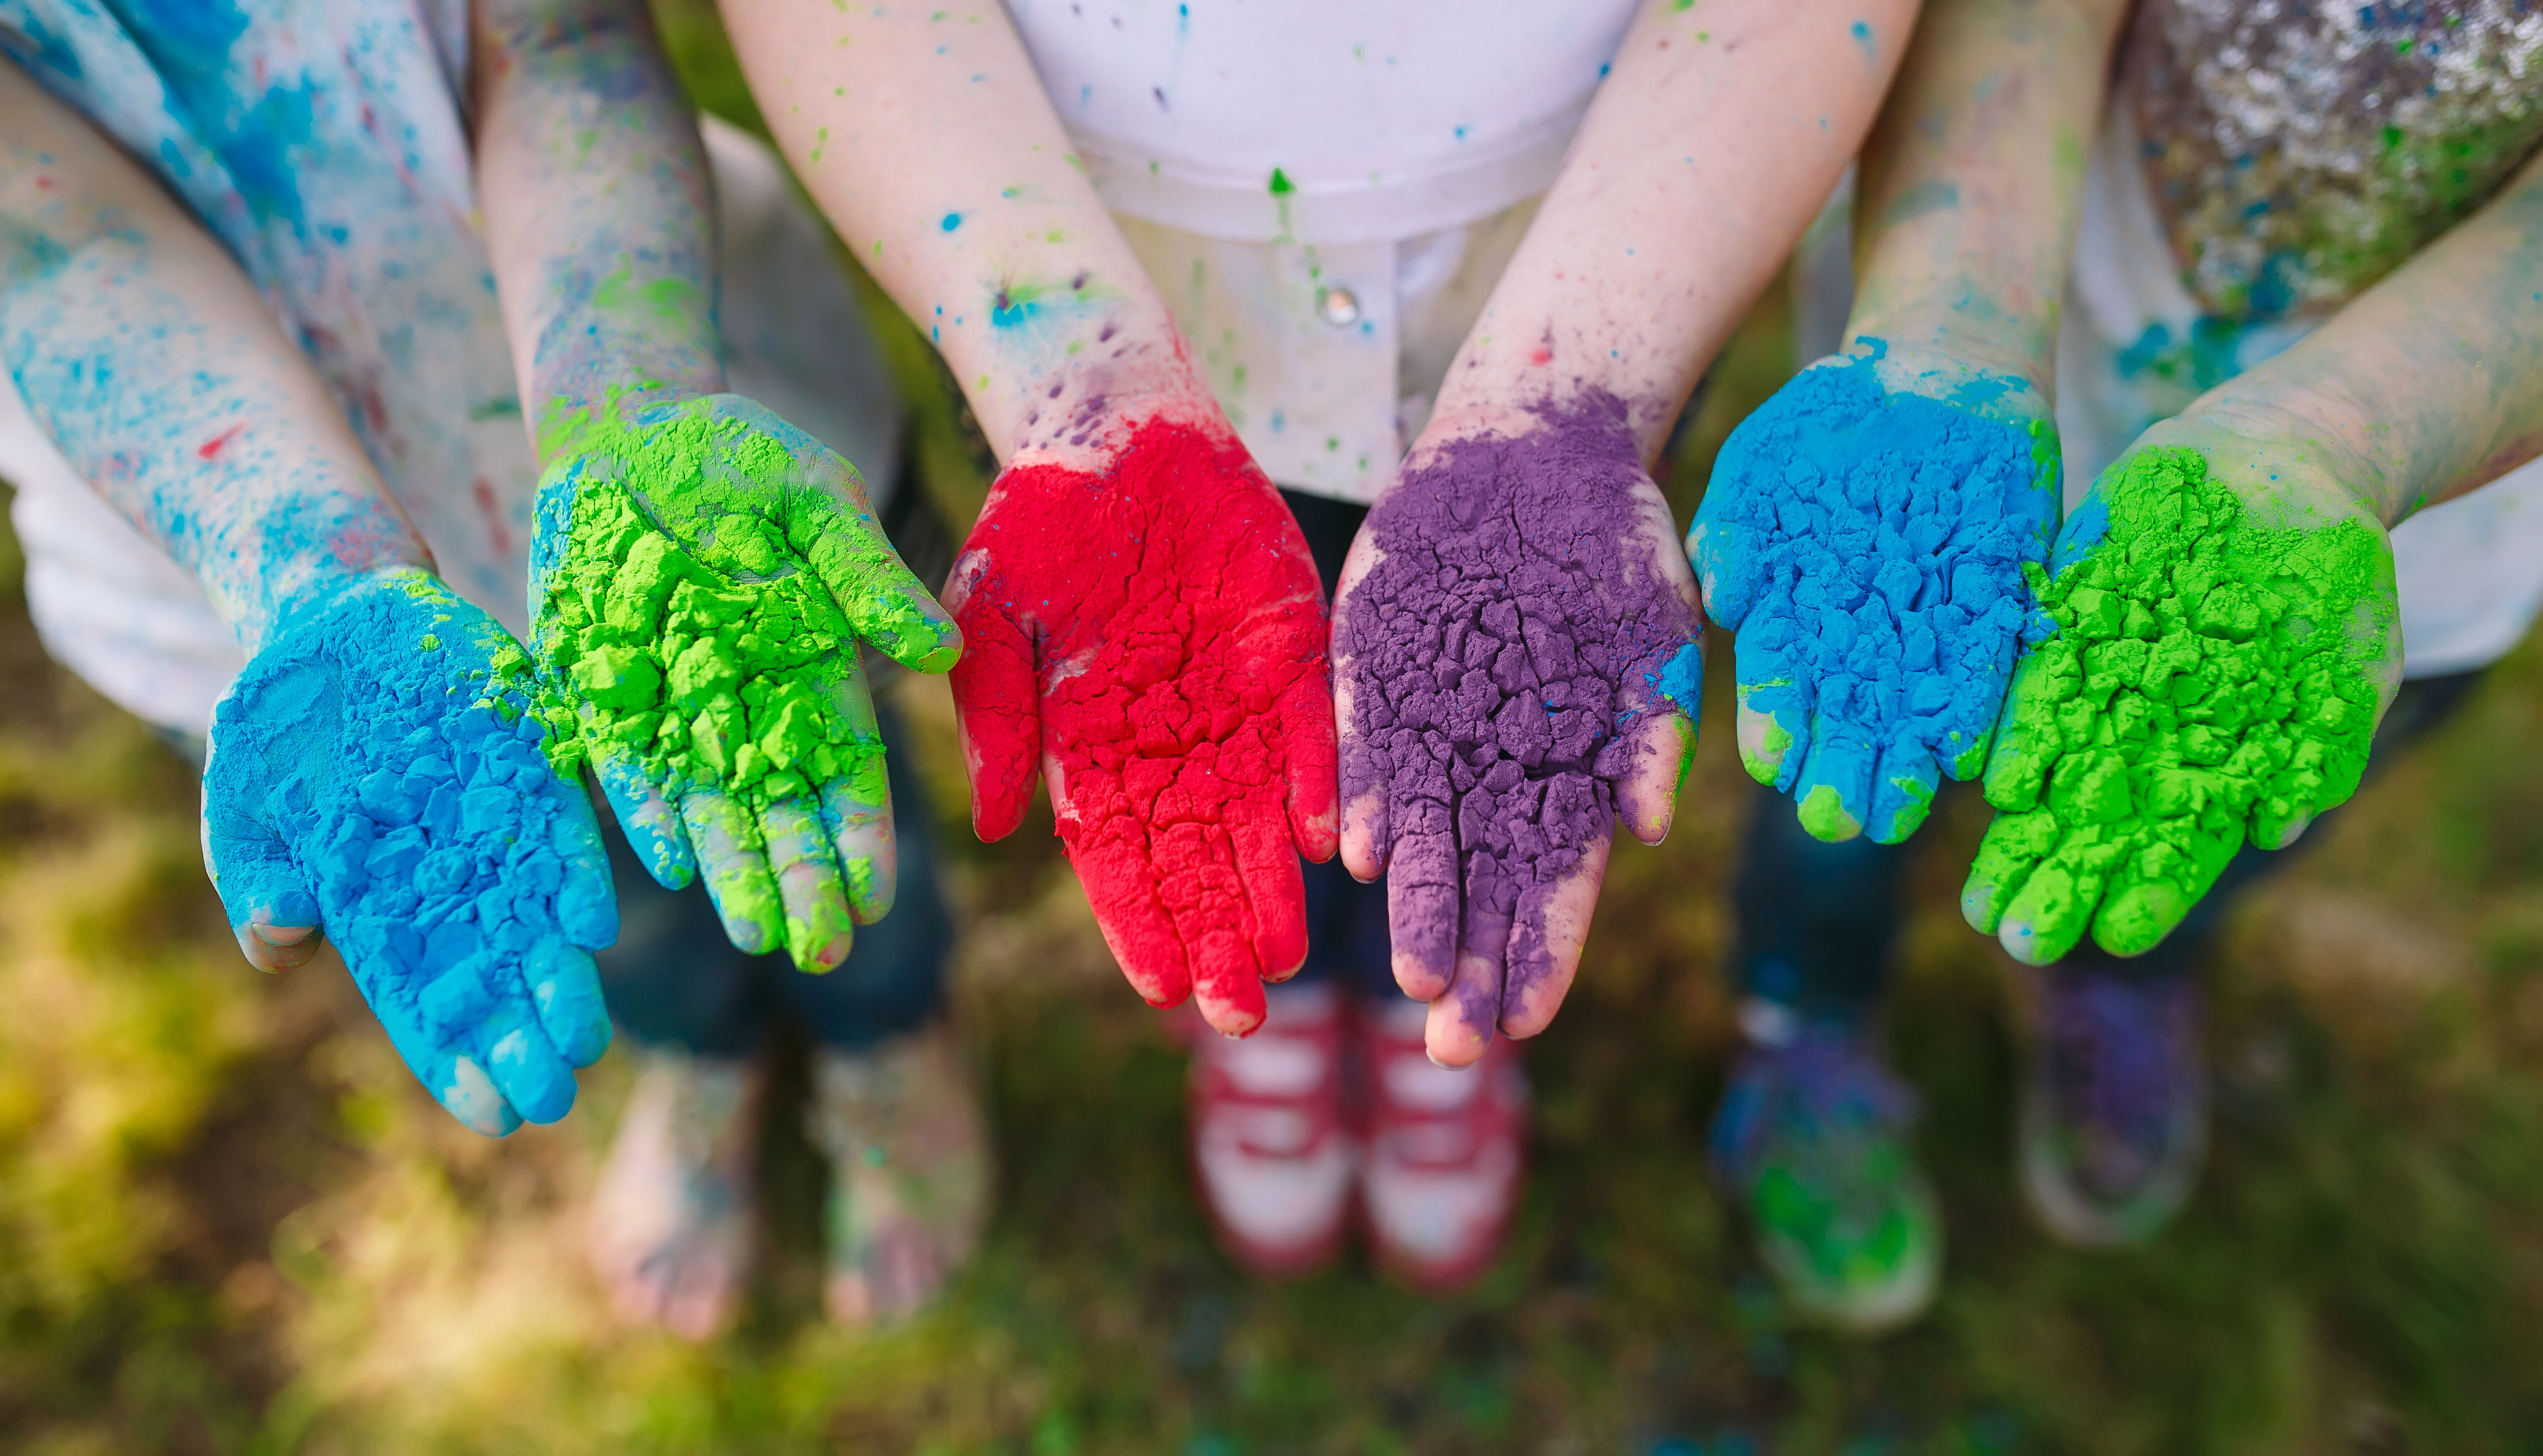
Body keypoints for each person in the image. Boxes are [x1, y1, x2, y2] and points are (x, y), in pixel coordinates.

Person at [724, 0, 1917, 1288]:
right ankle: (1279, 980)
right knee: (1213, 691)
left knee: (1490, 672)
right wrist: (1077, 374)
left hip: (1621, 198)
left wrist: (1586, 385)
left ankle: (1424, 983)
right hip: (1061, 213)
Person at [0, 0, 985, 1336]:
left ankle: (889, 1033)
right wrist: (310, 568)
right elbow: (52, 245)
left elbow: (566, 37)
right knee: (571, 892)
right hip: (226, 556)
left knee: (808, 787)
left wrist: (625, 399)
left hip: (662, 400)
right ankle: (702, 1051)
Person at [1691, 0, 2543, 1331]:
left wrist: (2332, 444)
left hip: (2428, 454)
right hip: (2034, 281)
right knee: (1848, 766)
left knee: (2201, 797)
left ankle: (2117, 977)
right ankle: (1807, 1021)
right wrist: (1948, 332)